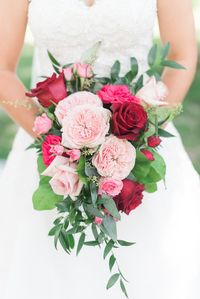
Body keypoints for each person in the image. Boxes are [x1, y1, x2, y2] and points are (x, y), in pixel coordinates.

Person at [0, 0, 200, 298]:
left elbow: (183, 54)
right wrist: (57, 143)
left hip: (140, 148)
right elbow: (2, 68)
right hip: (49, 154)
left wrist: (141, 132)